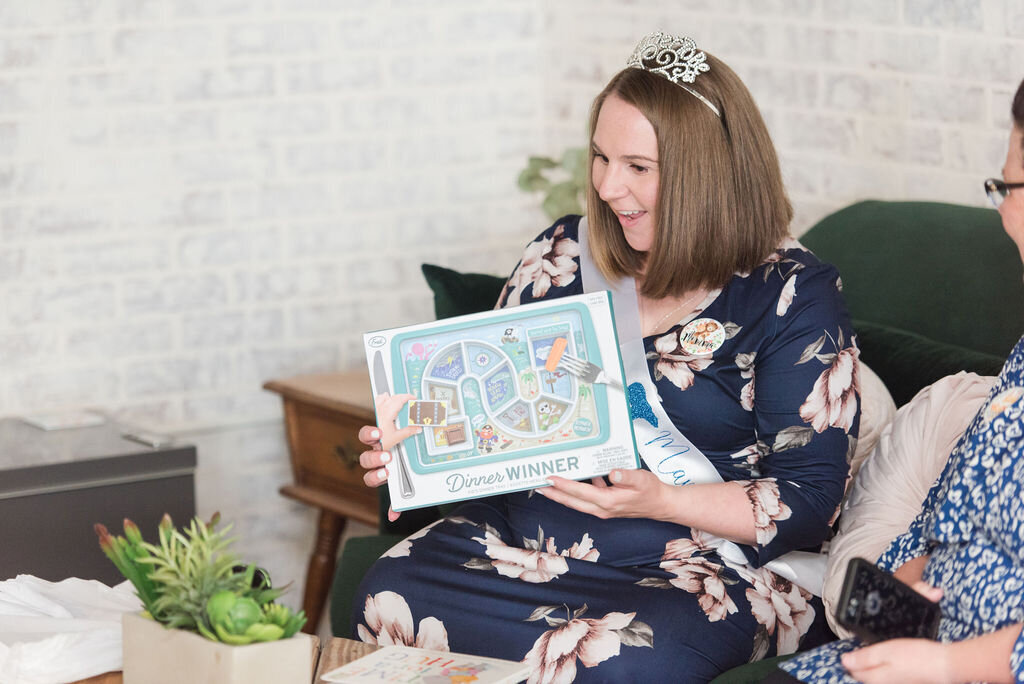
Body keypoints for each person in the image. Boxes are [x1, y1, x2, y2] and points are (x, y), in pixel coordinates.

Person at [355, 32, 860, 682]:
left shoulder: (792, 294)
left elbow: (811, 499)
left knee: (621, 655)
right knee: (389, 589)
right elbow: (492, 412)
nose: (607, 185)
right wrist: (416, 450)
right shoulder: (562, 255)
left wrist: (659, 501)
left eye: (637, 167)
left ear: (706, 176)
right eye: (600, 157)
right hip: (523, 539)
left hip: (695, 569)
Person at [775, 78, 1024, 684]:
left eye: (1009, 187)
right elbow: (945, 522)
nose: (1004, 212)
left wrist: (944, 665)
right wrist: (884, 606)